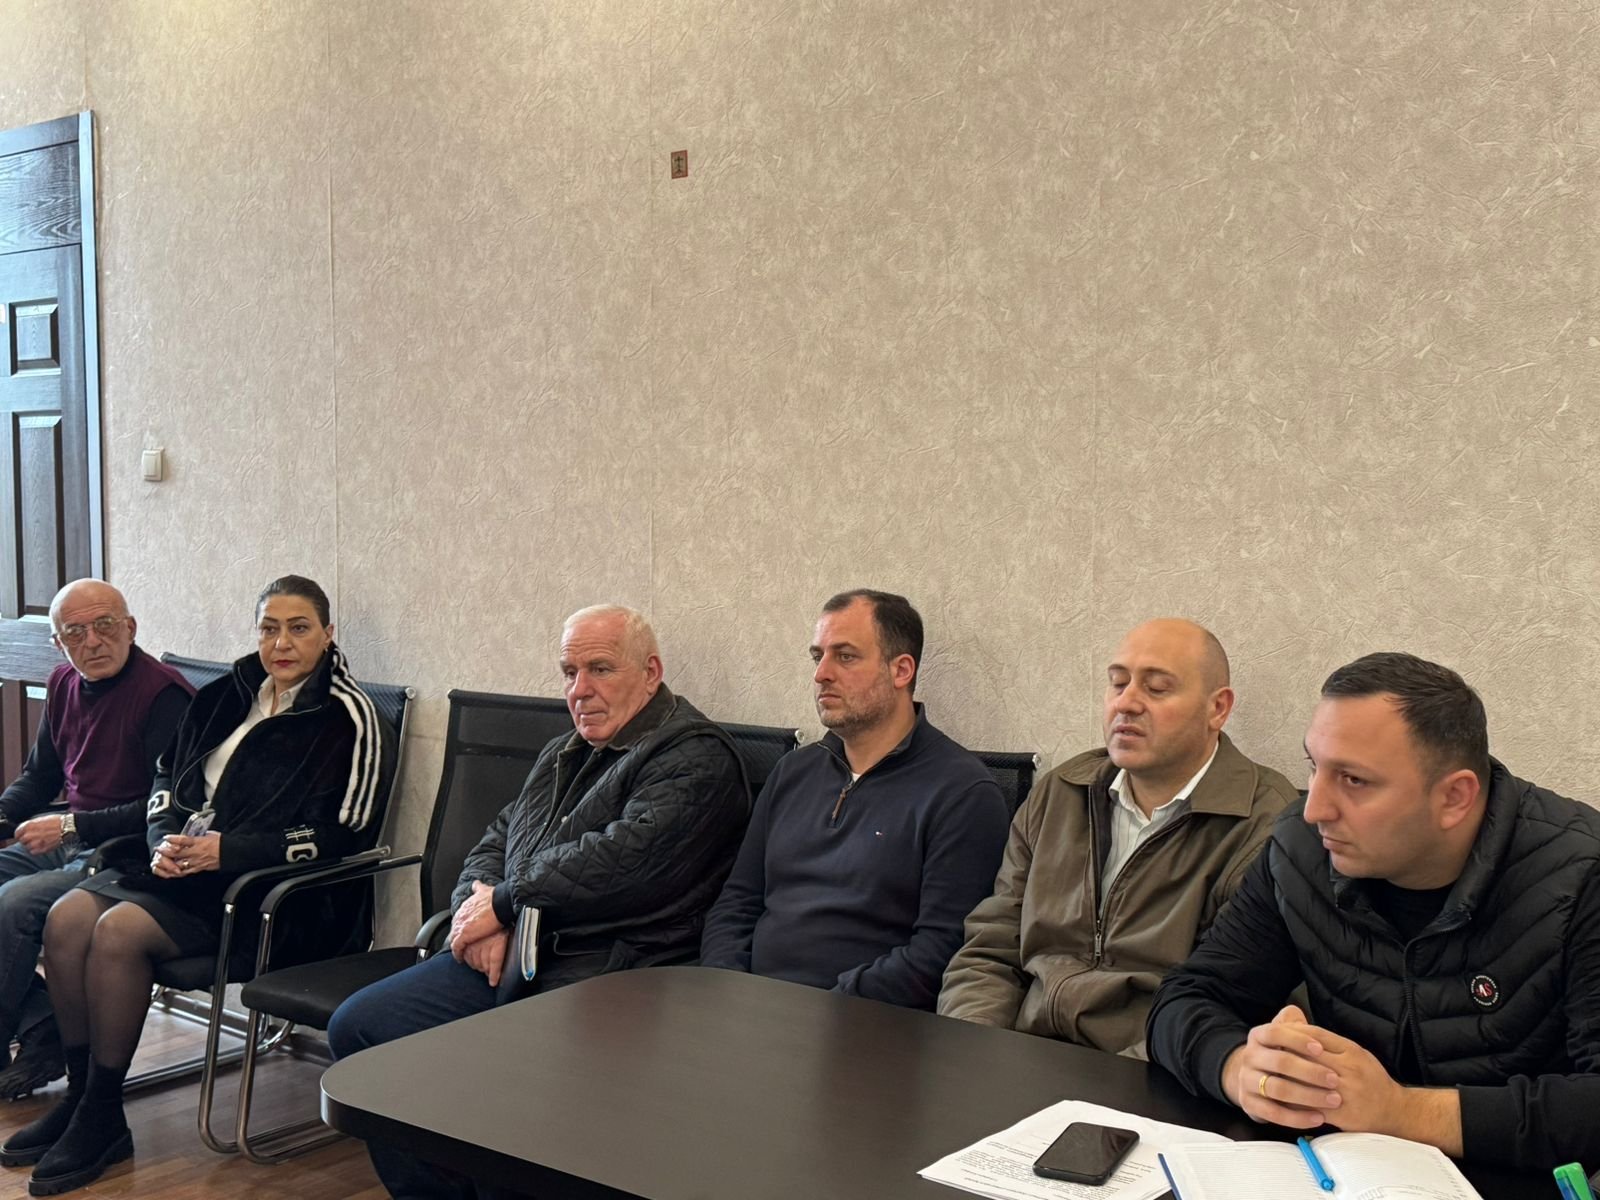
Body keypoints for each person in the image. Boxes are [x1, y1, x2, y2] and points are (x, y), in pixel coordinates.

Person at [328, 603, 748, 1200]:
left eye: (600, 669)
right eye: (569, 672)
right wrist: (477, 914)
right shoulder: (563, 752)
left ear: (651, 672)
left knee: (504, 1096)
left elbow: (619, 862)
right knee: (363, 1030)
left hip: (610, 974)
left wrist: (504, 904)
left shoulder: (696, 757)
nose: (580, 690)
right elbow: (496, 841)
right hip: (518, 952)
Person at [0, 575, 393, 1195]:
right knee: (67, 917)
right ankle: (80, 1095)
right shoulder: (226, 696)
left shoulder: (351, 716)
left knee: (116, 931)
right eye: (269, 629)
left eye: (299, 628)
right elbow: (167, 779)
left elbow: (346, 834)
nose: (282, 643)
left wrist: (224, 851)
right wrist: (164, 841)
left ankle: (102, 1112)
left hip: (274, 897)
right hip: (188, 868)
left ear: (327, 634)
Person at [1147, 651, 1600, 1171]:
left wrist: (1401, 1111)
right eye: (1314, 767)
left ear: (1455, 797)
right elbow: (1186, 998)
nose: (1315, 808)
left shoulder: (1580, 874)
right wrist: (1241, 1069)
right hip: (1348, 1172)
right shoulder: (1300, 850)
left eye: (1354, 780)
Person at [937, 618, 1293, 1055]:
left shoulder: (1265, 823)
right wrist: (974, 1048)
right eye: (1118, 683)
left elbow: (1232, 1005)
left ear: (1217, 708)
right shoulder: (1060, 792)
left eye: (1156, 688)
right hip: (1022, 1054)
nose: (1126, 703)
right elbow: (990, 948)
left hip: (1152, 1070)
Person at [700, 589, 1009, 1010]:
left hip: (863, 1023)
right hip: (749, 1010)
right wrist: (727, 986)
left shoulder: (962, 793)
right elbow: (737, 901)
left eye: (845, 657)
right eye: (817, 656)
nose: (821, 674)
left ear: (901, 670)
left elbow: (940, 952)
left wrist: (824, 1011)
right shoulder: (794, 771)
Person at [0, 580, 193, 1099]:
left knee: (13, 904)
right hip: (70, 838)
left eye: (105, 625)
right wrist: (3, 816)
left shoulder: (164, 696)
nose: (92, 641)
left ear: (130, 628)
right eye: (75, 632)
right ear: (58, 643)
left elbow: (165, 809)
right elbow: (39, 777)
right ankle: (43, 1024)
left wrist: (70, 827)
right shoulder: (63, 682)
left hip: (124, 852)